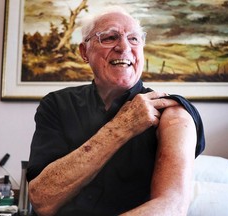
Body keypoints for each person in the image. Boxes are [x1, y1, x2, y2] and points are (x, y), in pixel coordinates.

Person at [26, 6, 205, 216]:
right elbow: (42, 200)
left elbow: (171, 206)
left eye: (134, 39)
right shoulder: (56, 104)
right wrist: (121, 128)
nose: (124, 47)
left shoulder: (171, 111)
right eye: (110, 37)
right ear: (84, 52)